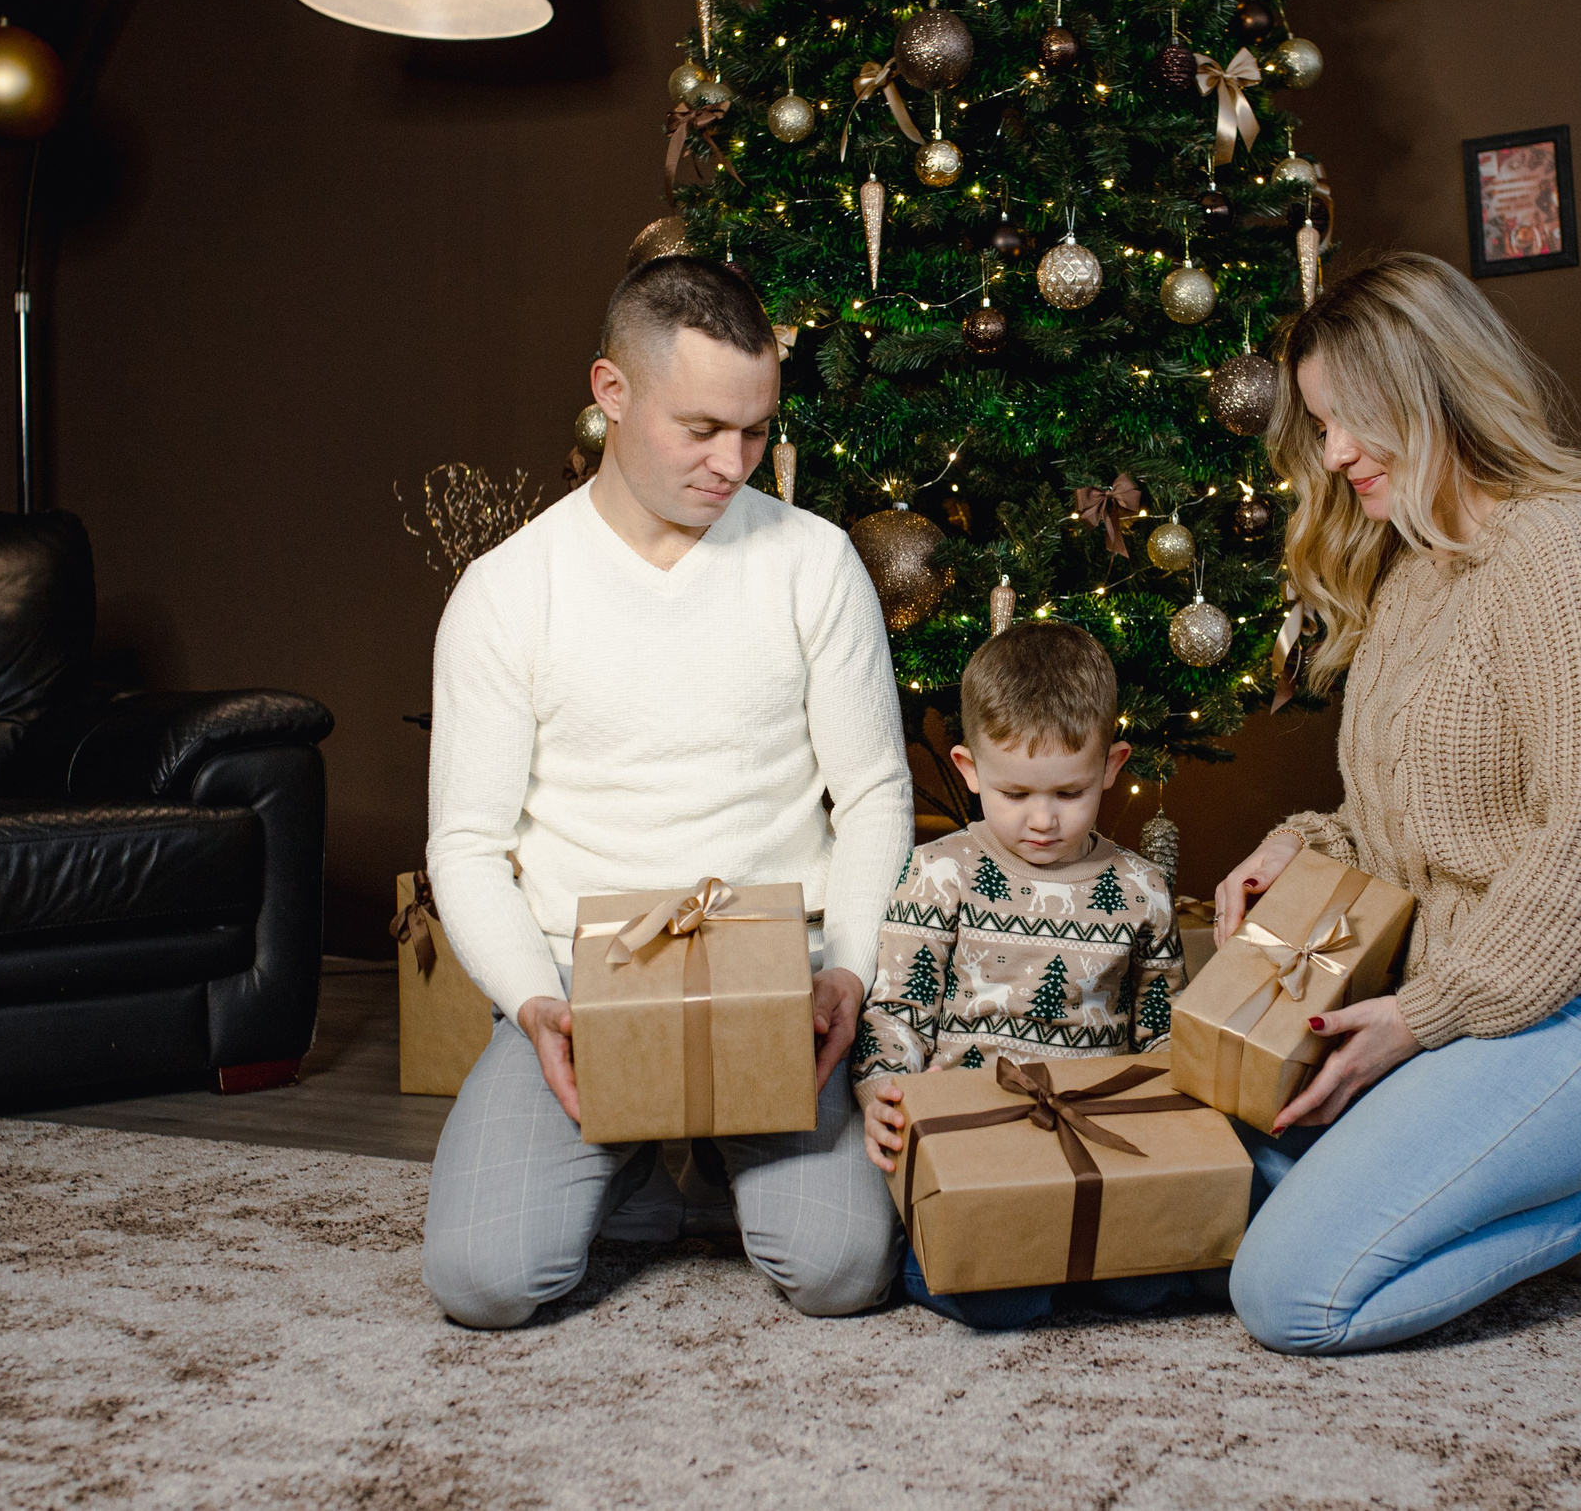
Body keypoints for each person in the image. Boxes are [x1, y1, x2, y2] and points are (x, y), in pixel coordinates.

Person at [1213, 250, 1581, 1356]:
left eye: (1353, 418)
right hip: (1476, 992)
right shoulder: (1418, 568)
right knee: (1233, 1166)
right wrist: (1294, 845)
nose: (1334, 453)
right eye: (1320, 423)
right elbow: (1404, 828)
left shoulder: (1564, 555)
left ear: (1432, 389)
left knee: (1291, 1293)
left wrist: (1417, 1022)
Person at [420, 256, 914, 1328]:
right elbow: (465, 845)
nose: (732, 462)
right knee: (484, 1283)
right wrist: (532, 1003)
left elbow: (874, 795)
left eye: (754, 429)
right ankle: (644, 1159)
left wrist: (853, 972)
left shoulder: (814, 563)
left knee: (837, 1272)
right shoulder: (509, 591)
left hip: (779, 971)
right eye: (699, 428)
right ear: (610, 393)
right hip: (578, 981)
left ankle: (686, 1162)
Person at [855, 622, 1190, 1329]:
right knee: (1003, 1296)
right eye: (1013, 794)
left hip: (1094, 1133)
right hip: (978, 1137)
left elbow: (1163, 1033)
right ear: (969, 768)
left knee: (1140, 1290)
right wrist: (882, 1085)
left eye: (1069, 792)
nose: (1042, 820)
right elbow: (899, 1005)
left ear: (1111, 763)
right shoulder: (940, 871)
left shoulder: (1141, 887)